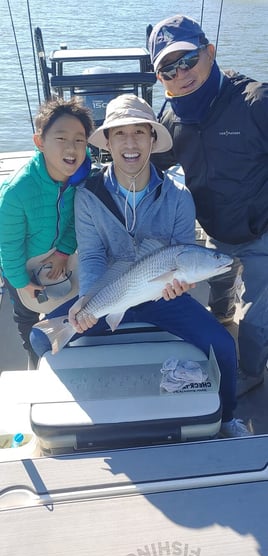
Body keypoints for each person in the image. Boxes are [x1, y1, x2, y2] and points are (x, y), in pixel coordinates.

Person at [30, 93, 251, 438]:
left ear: (152, 139)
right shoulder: (89, 194)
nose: (130, 143)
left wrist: (182, 285)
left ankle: (226, 419)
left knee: (222, 345)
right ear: (107, 141)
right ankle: (67, 417)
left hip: (165, 296)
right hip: (110, 293)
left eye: (140, 132)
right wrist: (88, 302)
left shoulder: (178, 195)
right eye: (120, 133)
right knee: (40, 338)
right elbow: (91, 254)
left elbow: (185, 253)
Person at [148, 14, 268, 397]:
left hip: (262, 231)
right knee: (220, 297)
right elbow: (149, 170)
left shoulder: (256, 102)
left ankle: (250, 372)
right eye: (168, 68)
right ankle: (222, 313)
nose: (181, 73)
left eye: (188, 60)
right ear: (159, 79)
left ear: (210, 52)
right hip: (213, 234)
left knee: (254, 321)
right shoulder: (170, 117)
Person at [0, 97, 94, 368]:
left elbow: (79, 220)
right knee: (26, 315)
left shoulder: (83, 175)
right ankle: (34, 355)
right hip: (21, 259)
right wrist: (20, 281)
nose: (72, 148)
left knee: (69, 302)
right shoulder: (18, 190)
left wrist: (64, 251)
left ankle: (67, 346)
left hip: (57, 250)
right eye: (61, 138)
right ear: (39, 142)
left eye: (79, 140)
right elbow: (8, 244)